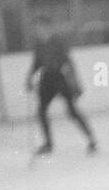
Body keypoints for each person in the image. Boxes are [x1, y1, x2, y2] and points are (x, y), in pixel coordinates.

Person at [25, 16, 98, 157]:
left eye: (42, 28)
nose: (39, 31)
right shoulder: (39, 45)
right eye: (37, 29)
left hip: (60, 77)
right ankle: (48, 144)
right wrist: (29, 78)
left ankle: (91, 140)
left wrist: (75, 84)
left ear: (49, 29)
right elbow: (37, 63)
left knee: (72, 111)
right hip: (47, 79)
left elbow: (68, 63)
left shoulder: (58, 42)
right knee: (41, 111)